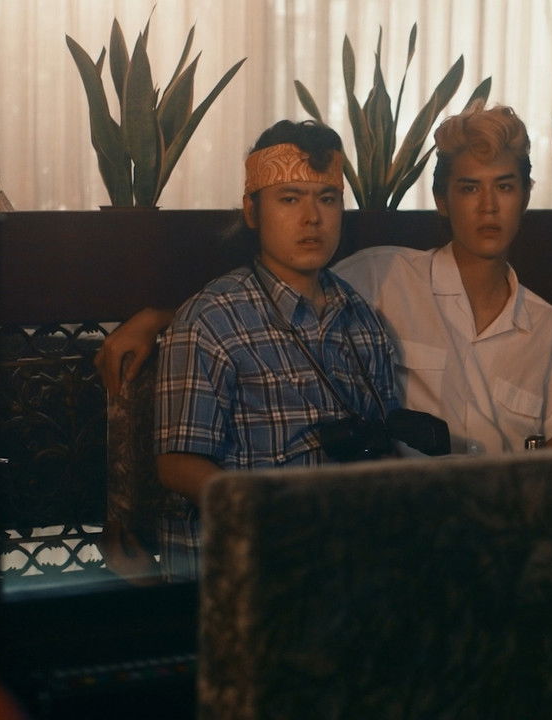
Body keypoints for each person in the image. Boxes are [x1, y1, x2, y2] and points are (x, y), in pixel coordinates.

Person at [97, 103, 552, 455]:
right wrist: (158, 318)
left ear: (526, 196)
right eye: (470, 188)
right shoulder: (381, 275)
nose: (489, 207)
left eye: (504, 187)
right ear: (442, 199)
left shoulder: (546, 328)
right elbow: (270, 295)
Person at [155, 119, 399, 579]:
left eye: (327, 199)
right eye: (289, 199)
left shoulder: (361, 318)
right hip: (246, 566)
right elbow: (177, 465)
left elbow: (386, 443)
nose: (312, 219)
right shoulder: (212, 320)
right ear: (252, 212)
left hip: (347, 563)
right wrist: (273, 516)